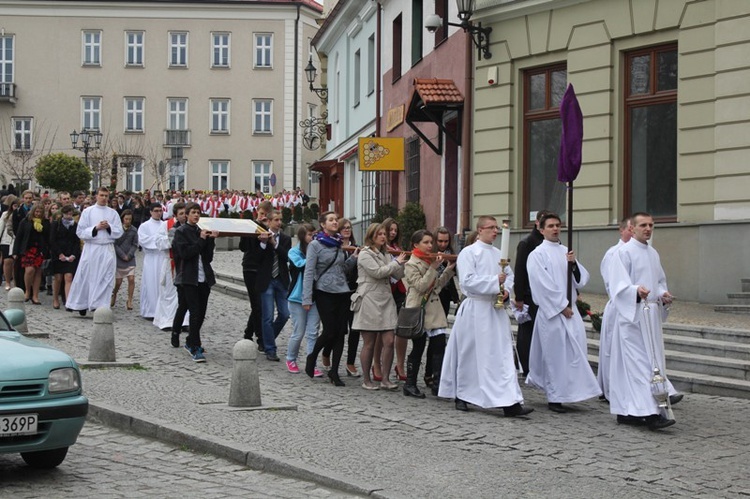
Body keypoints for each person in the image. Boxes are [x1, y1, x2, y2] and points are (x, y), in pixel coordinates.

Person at [439, 216, 533, 417]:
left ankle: (510, 402)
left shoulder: (499, 253)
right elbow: (467, 281)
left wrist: (506, 290)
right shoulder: (469, 253)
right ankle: (463, 395)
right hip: (476, 309)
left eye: (496, 228)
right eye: (491, 228)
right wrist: (494, 281)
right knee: (471, 353)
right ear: (480, 230)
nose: (495, 231)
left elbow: (510, 276)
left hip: (495, 311)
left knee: (501, 356)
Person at [606, 212, 680, 430]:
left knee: (651, 363)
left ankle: (628, 411)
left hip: (651, 317)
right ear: (632, 228)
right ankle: (650, 413)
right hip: (633, 317)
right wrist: (635, 290)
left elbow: (658, 281)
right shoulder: (623, 253)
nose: (648, 229)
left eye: (651, 225)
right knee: (639, 365)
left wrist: (663, 294)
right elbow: (617, 286)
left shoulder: (653, 253)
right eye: (643, 225)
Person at [525, 213, 601, 413]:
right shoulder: (537, 254)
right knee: (555, 355)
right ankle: (555, 396)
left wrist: (573, 264)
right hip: (553, 313)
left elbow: (581, 280)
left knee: (574, 353)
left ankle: (572, 391)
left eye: (558, 225)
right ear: (541, 229)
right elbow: (542, 285)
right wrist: (561, 306)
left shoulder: (566, 251)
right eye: (550, 226)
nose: (555, 229)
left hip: (570, 311)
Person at [302, 211, 357, 387]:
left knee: (341, 332)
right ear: (323, 224)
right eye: (331, 220)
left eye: (336, 219)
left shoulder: (339, 243)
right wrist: (306, 298)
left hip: (342, 291)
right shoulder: (315, 245)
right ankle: (312, 356)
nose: (335, 222)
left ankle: (334, 371)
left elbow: (342, 269)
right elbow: (309, 271)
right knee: (330, 331)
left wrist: (353, 259)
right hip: (324, 291)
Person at [402, 230, 455, 398]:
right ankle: (410, 384)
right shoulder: (412, 264)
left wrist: (448, 270)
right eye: (426, 242)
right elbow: (420, 286)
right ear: (416, 245)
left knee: (439, 345)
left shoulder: (429, 261)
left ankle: (438, 382)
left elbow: (436, 286)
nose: (430, 246)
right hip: (418, 309)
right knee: (418, 347)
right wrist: (433, 267)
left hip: (433, 309)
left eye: (430, 242)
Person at [352, 223, 406, 391]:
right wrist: (396, 262)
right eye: (379, 234)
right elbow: (378, 272)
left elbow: (397, 274)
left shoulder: (386, 254)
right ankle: (367, 379)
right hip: (370, 298)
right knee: (369, 342)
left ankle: (385, 378)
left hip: (385, 298)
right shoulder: (365, 254)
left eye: (384, 234)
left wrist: (400, 263)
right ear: (372, 236)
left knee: (389, 340)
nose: (383, 236)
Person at [66, 187, 124, 315]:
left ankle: (100, 305)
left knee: (106, 277)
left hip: (107, 248)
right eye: (102, 195)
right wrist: (96, 228)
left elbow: (119, 231)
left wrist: (109, 227)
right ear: (96, 196)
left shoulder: (113, 213)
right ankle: (82, 304)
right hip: (92, 248)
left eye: (106, 196)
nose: (104, 198)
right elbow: (80, 231)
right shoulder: (88, 212)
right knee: (87, 276)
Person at [172, 203, 219, 362]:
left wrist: (211, 240)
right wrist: (201, 241)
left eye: (198, 213)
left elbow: (208, 258)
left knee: (202, 313)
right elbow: (186, 254)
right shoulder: (181, 232)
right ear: (186, 214)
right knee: (193, 311)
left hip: (203, 277)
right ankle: (194, 345)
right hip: (188, 277)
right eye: (193, 212)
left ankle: (190, 339)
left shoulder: (201, 231)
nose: (196, 215)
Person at [597, 216, 632, 401]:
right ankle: (611, 388)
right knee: (613, 349)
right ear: (622, 230)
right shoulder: (614, 253)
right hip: (619, 306)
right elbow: (612, 282)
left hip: (637, 308)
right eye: (630, 229)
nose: (633, 233)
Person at [321, 217, 360, 376]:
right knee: (338, 329)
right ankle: (326, 352)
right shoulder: (334, 248)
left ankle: (350, 362)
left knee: (355, 329)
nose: (347, 230)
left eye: (349, 228)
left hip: (354, 292)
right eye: (344, 227)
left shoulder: (356, 248)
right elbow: (340, 271)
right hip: (338, 292)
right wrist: (352, 259)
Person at [512, 209, 550, 376]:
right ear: (537, 223)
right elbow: (520, 270)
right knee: (527, 331)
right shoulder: (527, 243)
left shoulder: (550, 242)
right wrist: (519, 296)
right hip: (529, 294)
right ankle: (525, 364)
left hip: (545, 295)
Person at [285, 223, 323, 377]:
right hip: (297, 297)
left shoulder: (319, 250)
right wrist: (313, 256)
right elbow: (300, 266)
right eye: (309, 235)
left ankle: (311, 362)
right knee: (298, 331)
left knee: (313, 332)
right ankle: (291, 358)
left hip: (315, 296)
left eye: (314, 235)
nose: (312, 238)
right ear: (302, 236)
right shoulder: (294, 252)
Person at [256, 210, 291, 361]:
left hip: (281, 279)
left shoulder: (285, 238)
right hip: (267, 279)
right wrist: (263, 244)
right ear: (268, 222)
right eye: (276, 220)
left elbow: (287, 257)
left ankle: (266, 339)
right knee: (268, 316)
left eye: (280, 220)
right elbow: (256, 258)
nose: (278, 223)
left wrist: (275, 245)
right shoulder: (260, 236)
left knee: (285, 314)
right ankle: (270, 349)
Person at [239, 200, 272, 348]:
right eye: (261, 213)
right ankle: (260, 338)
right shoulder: (250, 226)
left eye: (265, 215)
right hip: (250, 268)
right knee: (257, 304)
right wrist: (251, 234)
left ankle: (248, 334)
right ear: (257, 212)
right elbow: (243, 247)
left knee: (257, 305)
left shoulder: (269, 229)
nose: (262, 216)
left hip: (262, 269)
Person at [430, 226, 459, 390]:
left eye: (445, 241)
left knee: (439, 337)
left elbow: (452, 279)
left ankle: (436, 376)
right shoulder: (432, 254)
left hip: (445, 297)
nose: (442, 244)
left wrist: (456, 297)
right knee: (435, 338)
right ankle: (432, 375)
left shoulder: (451, 254)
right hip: (433, 298)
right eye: (440, 241)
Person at [13, 202, 50, 304]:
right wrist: (15, 251)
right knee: (29, 271)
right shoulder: (25, 221)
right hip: (27, 249)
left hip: (40, 249)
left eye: (40, 212)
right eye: (37, 212)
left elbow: (48, 237)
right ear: (33, 211)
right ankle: (27, 291)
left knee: (38, 272)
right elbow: (19, 237)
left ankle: (35, 295)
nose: (38, 214)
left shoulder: (46, 222)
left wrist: (47, 251)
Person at [137, 204, 170, 319]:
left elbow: (169, 239)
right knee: (151, 284)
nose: (158, 213)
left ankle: (162, 310)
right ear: (151, 212)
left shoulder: (165, 225)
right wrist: (158, 240)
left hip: (162, 256)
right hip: (151, 258)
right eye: (156, 211)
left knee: (163, 284)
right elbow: (143, 240)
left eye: (160, 211)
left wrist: (162, 241)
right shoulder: (144, 226)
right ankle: (150, 311)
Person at [49, 205, 81, 310]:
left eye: (71, 214)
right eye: (67, 214)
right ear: (63, 213)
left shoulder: (75, 225)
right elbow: (52, 240)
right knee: (58, 278)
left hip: (70, 254)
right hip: (58, 254)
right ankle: (55, 299)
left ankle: (68, 302)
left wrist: (73, 254)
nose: (69, 216)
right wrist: (59, 254)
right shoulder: (56, 224)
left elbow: (77, 242)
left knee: (68, 277)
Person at [112, 210, 138, 310]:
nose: (128, 221)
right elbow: (115, 244)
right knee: (118, 282)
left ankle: (130, 300)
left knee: (131, 279)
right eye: (126, 219)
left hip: (130, 258)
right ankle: (114, 294)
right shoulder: (118, 230)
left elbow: (135, 244)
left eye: (130, 219)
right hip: (120, 257)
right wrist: (122, 255)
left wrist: (130, 255)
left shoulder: (134, 230)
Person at [0, 195, 18, 290]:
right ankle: (7, 281)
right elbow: (1, 227)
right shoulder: (5, 214)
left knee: (16, 262)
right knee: (7, 261)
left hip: (17, 240)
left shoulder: (21, 214)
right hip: (6, 240)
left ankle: (16, 282)